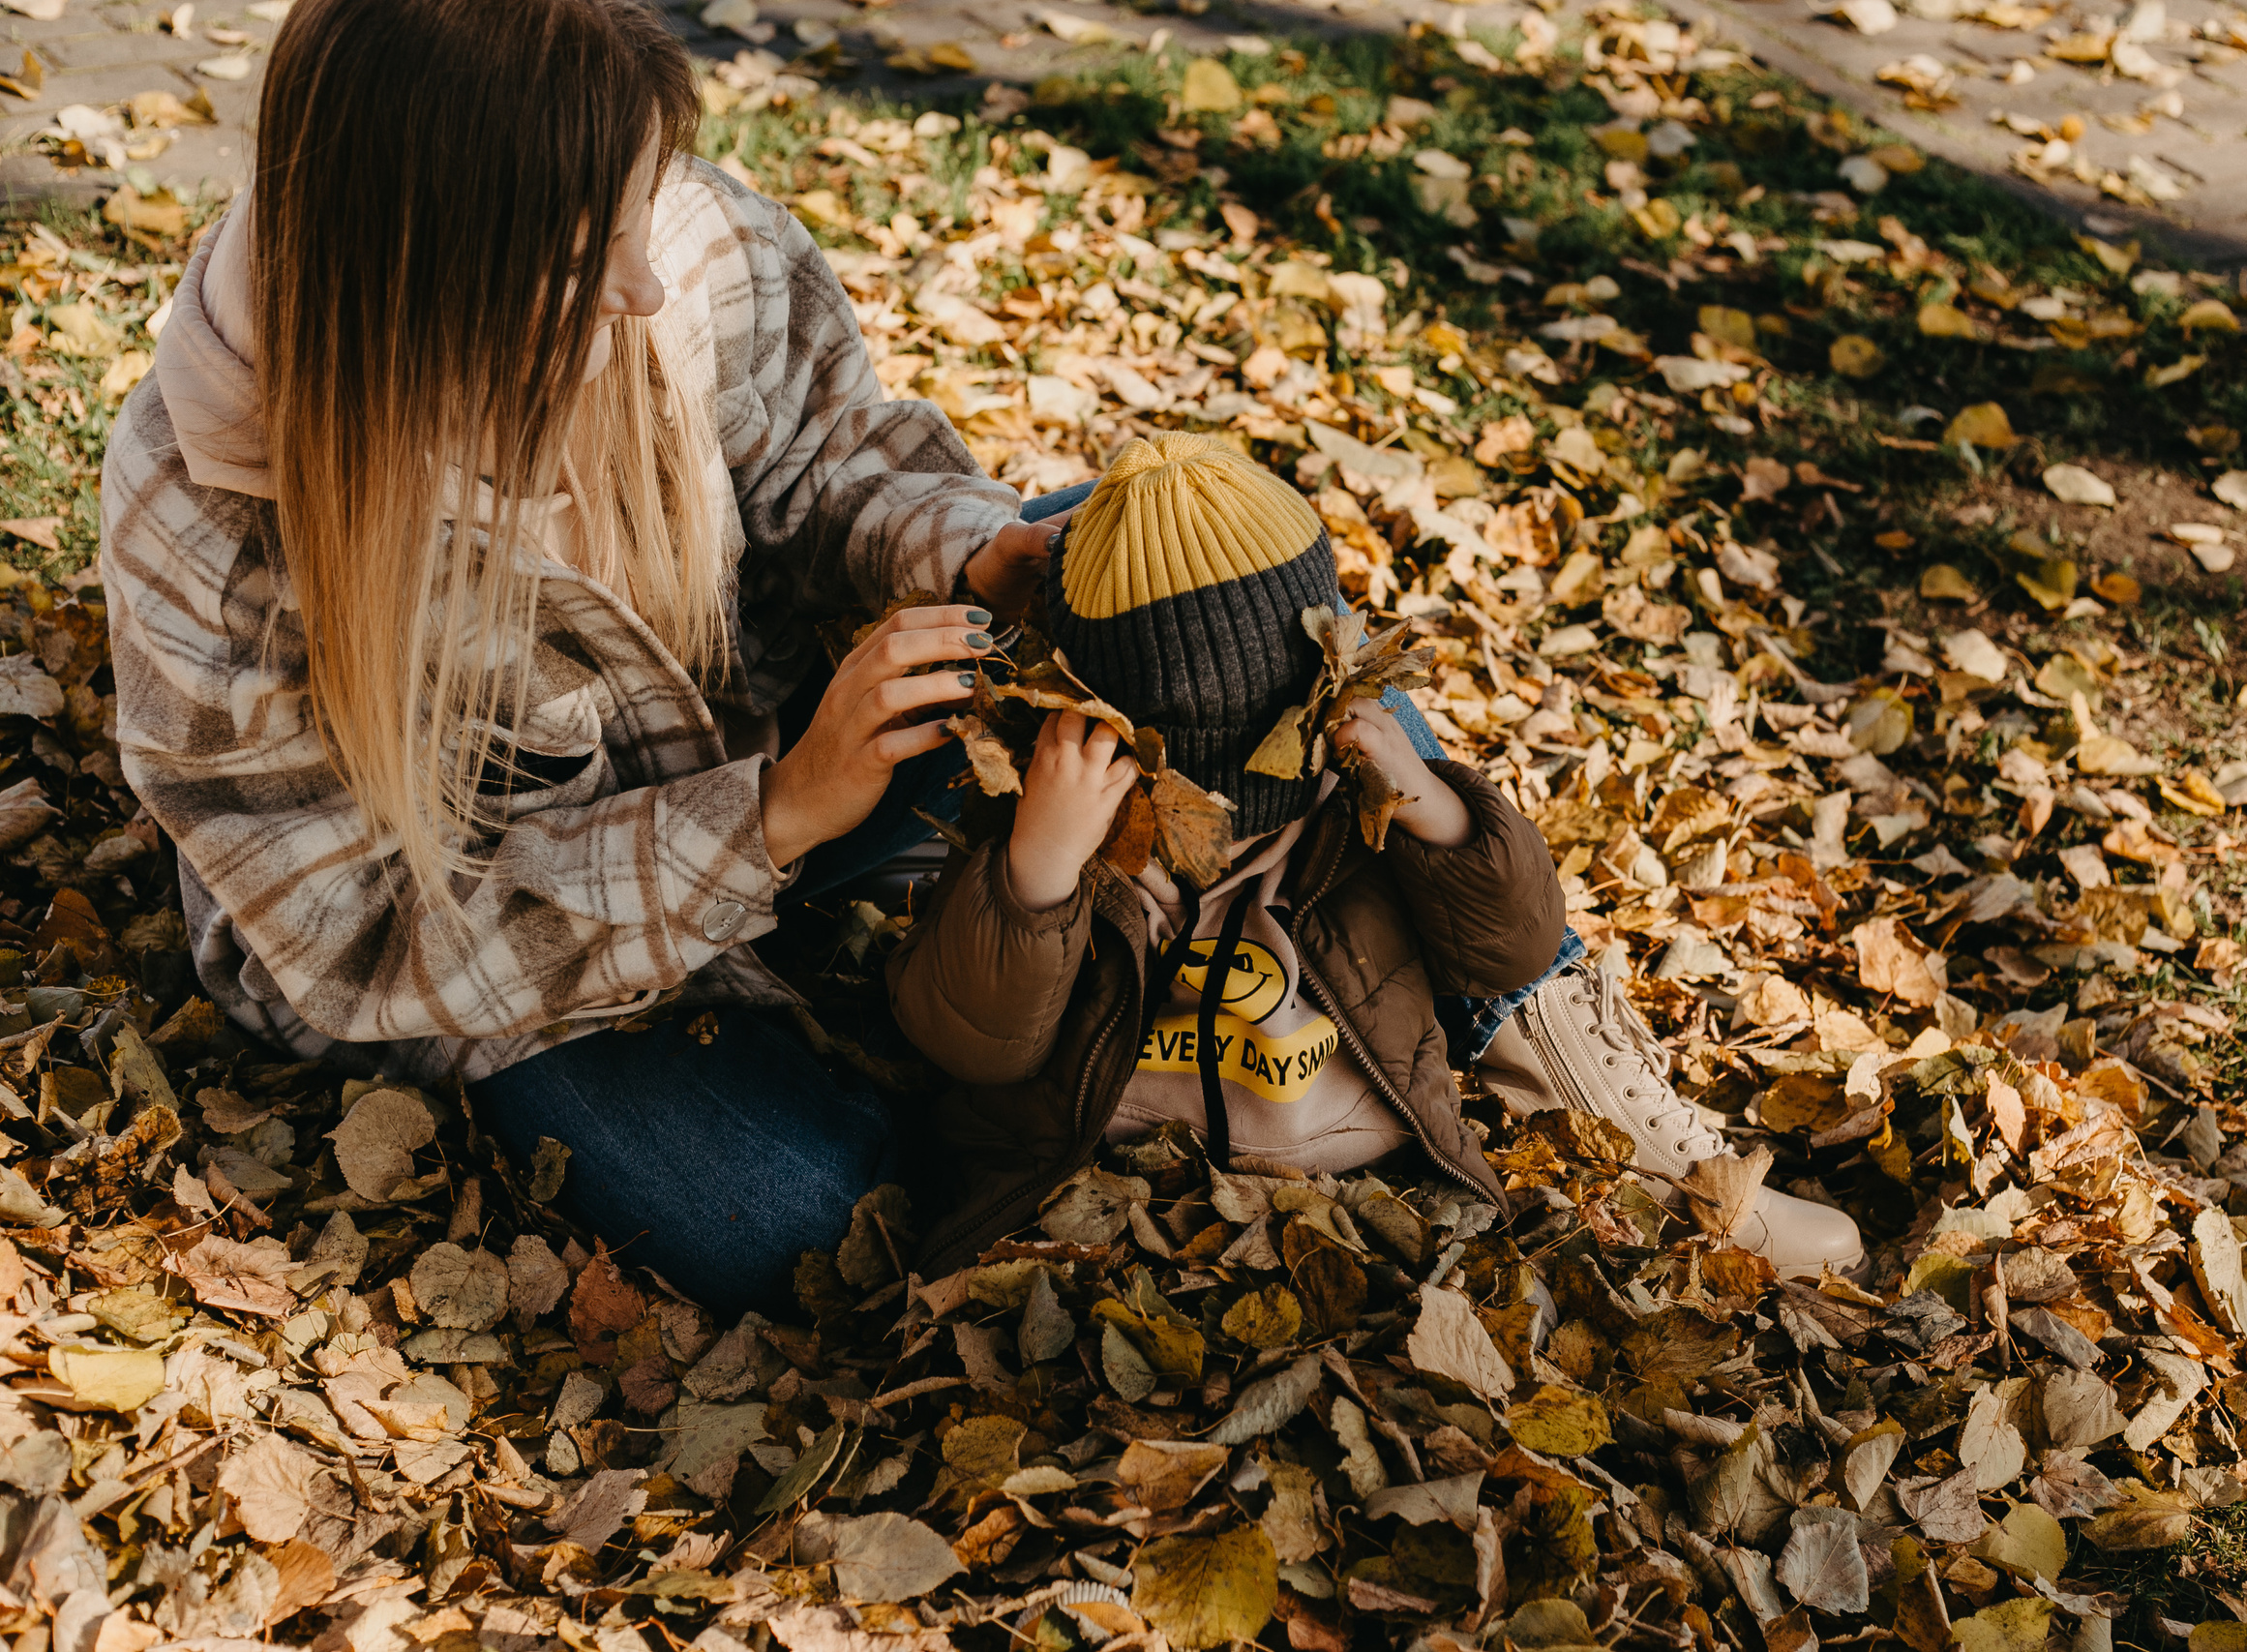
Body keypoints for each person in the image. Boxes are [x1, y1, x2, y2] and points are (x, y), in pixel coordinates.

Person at [103, 0, 1855, 1316]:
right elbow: (356, 936)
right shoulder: (219, 517)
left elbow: (828, 461)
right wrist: (771, 820)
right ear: (426, 284)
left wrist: (962, 547)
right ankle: (1078, 1022)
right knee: (797, 1220)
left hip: (801, 750)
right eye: (583, 260)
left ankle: (1563, 1049)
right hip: (544, 963)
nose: (640, 287)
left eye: (643, 215)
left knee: (1198, 575)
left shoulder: (676, 253)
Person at [889, 437, 1865, 1282]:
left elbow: (1515, 951)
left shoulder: (1350, 805)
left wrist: (1441, 816)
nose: (1240, 812)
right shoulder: (1065, 836)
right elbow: (976, 1041)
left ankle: (1645, 1149)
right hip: (1121, 1192)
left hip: (1377, 1183)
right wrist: (1036, 875)